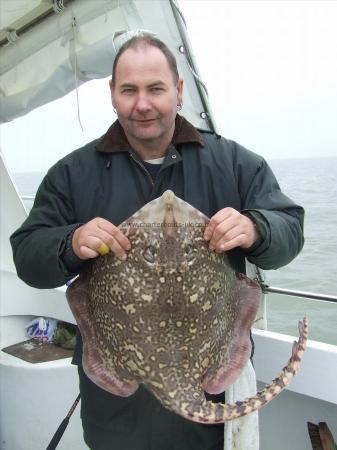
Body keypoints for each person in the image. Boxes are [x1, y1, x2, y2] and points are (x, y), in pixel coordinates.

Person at [10, 33, 304, 450]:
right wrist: (69, 242)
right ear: (112, 95)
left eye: (156, 89)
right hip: (116, 403)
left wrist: (258, 228)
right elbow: (27, 256)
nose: (142, 103)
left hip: (209, 389)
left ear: (179, 92)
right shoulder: (72, 174)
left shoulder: (235, 164)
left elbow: (290, 229)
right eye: (129, 90)